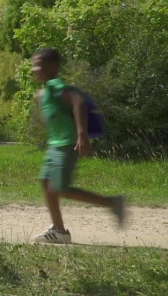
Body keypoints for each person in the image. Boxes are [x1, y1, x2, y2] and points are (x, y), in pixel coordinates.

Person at [31, 48, 125, 244]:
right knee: (47, 183)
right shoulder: (46, 90)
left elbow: (78, 102)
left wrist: (82, 135)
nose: (34, 68)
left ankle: (112, 203)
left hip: (67, 144)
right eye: (34, 64)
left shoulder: (56, 85)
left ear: (53, 67)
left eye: (39, 64)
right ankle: (59, 231)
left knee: (61, 188)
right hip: (55, 145)